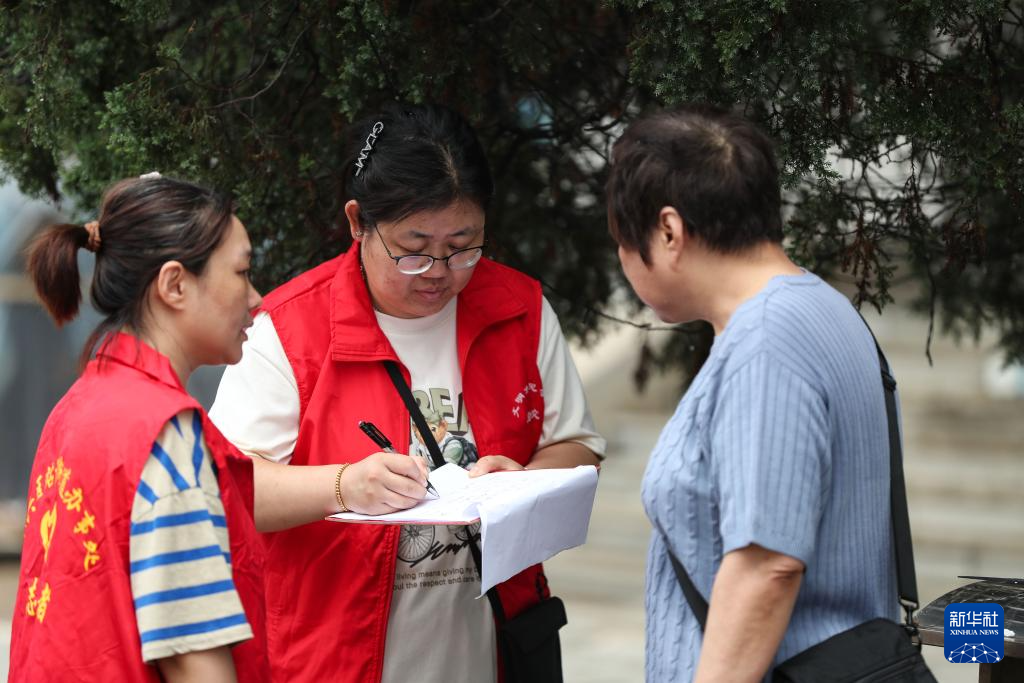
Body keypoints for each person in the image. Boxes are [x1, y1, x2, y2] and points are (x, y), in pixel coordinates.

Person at [209, 102, 606, 682]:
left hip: (492, 648)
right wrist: (344, 485)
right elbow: (225, 489)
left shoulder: (518, 310)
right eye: (414, 248)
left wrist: (521, 478)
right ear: (356, 222)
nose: (440, 270)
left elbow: (576, 446)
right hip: (334, 656)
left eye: (464, 245)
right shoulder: (289, 330)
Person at [605, 105, 900, 682]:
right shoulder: (823, 308)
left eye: (620, 238)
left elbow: (767, 565)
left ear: (669, 232)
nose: (620, 258)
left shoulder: (767, 342)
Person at [9, 174, 271, 681]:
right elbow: (196, 660)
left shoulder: (78, 405)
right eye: (242, 272)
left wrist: (348, 486)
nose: (256, 297)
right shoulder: (165, 433)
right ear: (175, 284)